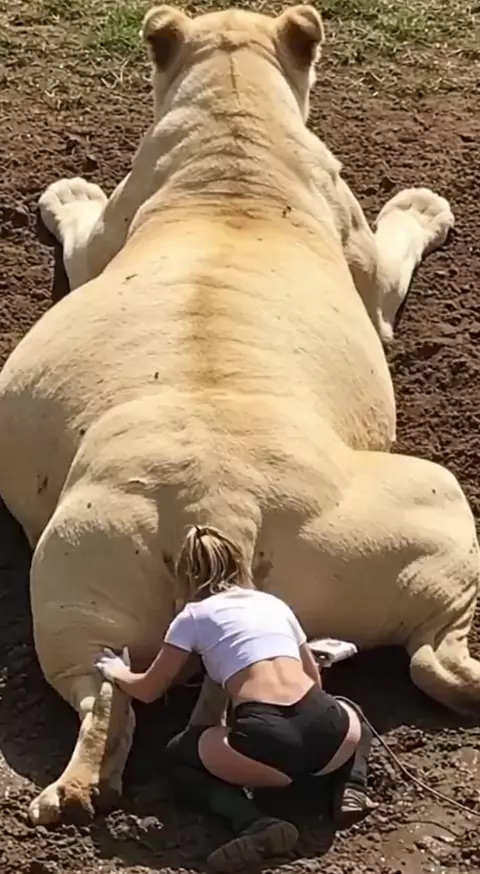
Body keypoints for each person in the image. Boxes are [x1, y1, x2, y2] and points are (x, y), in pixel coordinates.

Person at [96, 526, 374, 873]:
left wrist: (116, 671)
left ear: (185, 575)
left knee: (180, 755)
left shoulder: (193, 616)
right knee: (349, 710)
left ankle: (255, 822)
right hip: (330, 738)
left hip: (268, 748)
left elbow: (149, 690)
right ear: (238, 564)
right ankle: (352, 785)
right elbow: (315, 681)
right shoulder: (274, 604)